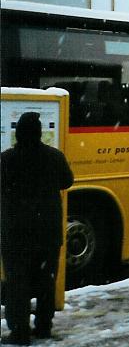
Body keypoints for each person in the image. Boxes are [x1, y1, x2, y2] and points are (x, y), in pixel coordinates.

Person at [1, 112, 74, 345]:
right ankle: (43, 326)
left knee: (17, 282)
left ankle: (19, 330)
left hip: (16, 233)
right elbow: (67, 181)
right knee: (45, 280)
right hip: (48, 233)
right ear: (40, 132)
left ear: (18, 133)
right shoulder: (54, 157)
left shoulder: (6, 159)